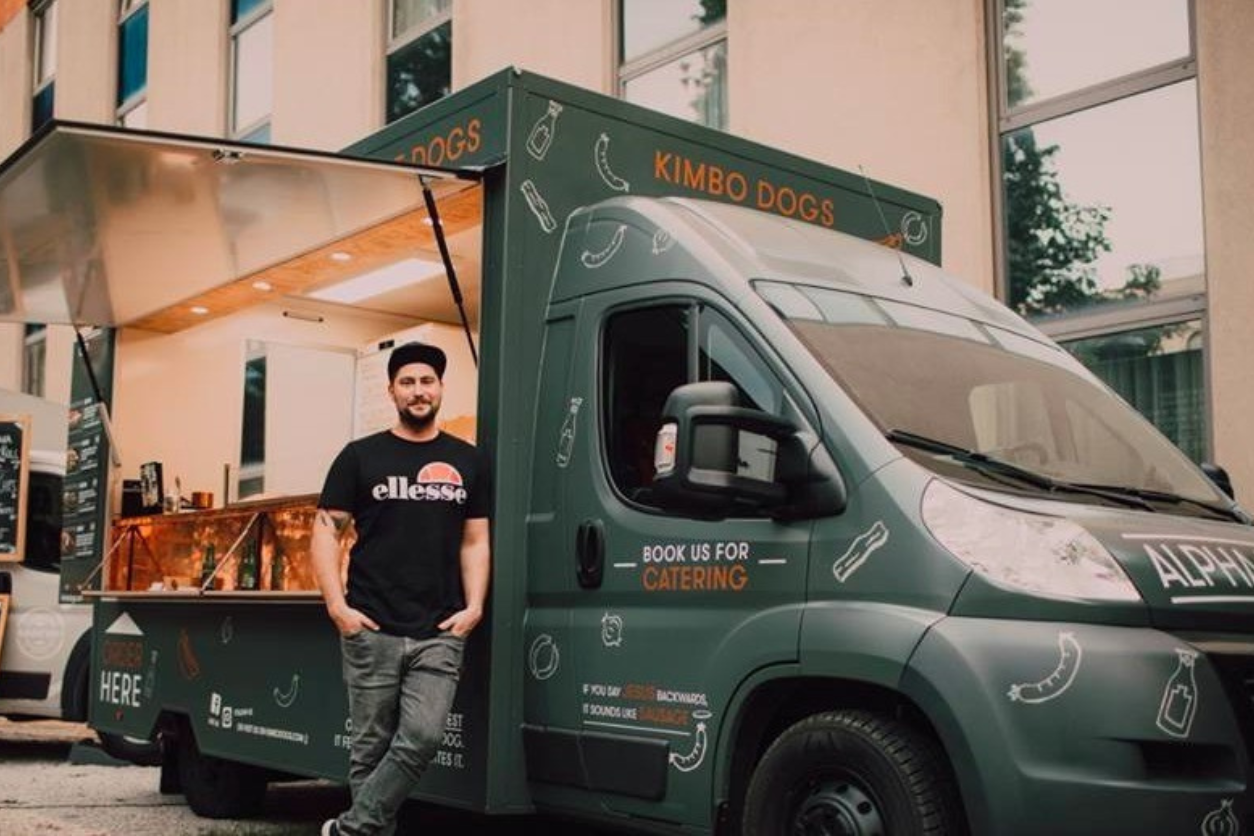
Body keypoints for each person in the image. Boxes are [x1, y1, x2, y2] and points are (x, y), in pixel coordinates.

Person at [312, 341, 491, 836]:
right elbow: (326, 532)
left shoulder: (468, 461)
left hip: (441, 629)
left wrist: (474, 607)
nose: (418, 391)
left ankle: (350, 829)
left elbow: (475, 540)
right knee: (369, 747)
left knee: (423, 736)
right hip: (372, 625)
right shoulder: (359, 457)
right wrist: (338, 607)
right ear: (391, 391)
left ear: (441, 388)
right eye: (407, 382)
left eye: (427, 381)